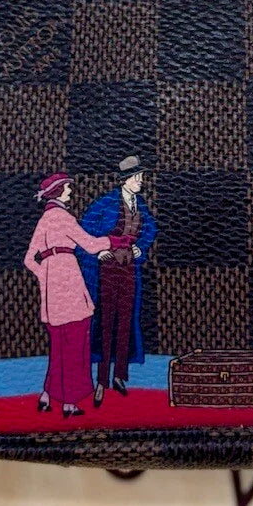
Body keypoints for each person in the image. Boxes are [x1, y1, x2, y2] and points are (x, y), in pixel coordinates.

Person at [23, 172, 112, 418]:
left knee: (58, 346)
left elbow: (29, 259)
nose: (70, 192)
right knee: (75, 343)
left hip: (52, 293)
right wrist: (115, 241)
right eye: (67, 188)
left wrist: (45, 276)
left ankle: (46, 395)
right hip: (69, 283)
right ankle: (69, 403)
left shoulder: (44, 220)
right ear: (59, 191)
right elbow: (90, 245)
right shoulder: (63, 217)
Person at [77, 155, 158, 405]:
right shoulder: (106, 203)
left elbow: (151, 228)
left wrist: (141, 247)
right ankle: (101, 381)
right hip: (107, 270)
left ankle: (120, 376)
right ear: (126, 179)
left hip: (129, 269)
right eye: (137, 177)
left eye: (141, 177)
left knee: (125, 321)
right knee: (106, 323)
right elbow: (83, 231)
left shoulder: (139, 204)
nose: (141, 181)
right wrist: (97, 252)